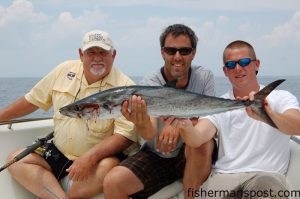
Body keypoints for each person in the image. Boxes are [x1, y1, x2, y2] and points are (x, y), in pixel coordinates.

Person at [0, 30, 139, 198]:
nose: (97, 58)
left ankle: (57, 192)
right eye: (91, 52)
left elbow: (124, 136)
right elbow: (32, 100)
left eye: (103, 52)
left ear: (113, 55)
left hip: (97, 162)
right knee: (15, 160)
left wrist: (89, 158)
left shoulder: (126, 86)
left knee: (110, 167)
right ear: (81, 54)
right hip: (58, 153)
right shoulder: (63, 70)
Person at [103, 24, 217, 199]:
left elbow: (208, 121)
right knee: (113, 183)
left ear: (193, 53)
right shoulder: (150, 82)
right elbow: (149, 133)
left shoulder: (204, 77)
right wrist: (140, 122)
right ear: (162, 52)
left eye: (184, 51)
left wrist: (177, 123)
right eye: (171, 51)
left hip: (190, 152)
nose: (177, 57)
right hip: (158, 153)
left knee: (202, 144)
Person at [178, 40, 300, 199]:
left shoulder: (281, 98)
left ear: (256, 64)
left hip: (264, 177)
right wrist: (184, 125)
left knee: (269, 187)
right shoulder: (217, 104)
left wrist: (268, 115)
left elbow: (297, 125)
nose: (237, 68)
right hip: (223, 179)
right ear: (225, 71)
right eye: (230, 65)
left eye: (244, 62)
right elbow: (196, 139)